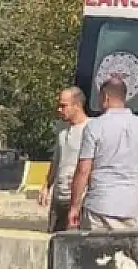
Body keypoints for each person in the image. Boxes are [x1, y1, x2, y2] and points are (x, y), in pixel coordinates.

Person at [67, 77, 138, 231]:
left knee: (94, 253)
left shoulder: (94, 126)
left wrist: (74, 206)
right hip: (130, 208)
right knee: (123, 253)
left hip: (99, 205)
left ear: (105, 97)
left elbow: (83, 170)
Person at [39, 87, 89, 232]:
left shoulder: (91, 128)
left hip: (79, 198)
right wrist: (46, 186)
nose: (60, 109)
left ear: (77, 105)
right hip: (58, 197)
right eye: (59, 105)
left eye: (64, 105)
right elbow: (56, 161)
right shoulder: (62, 130)